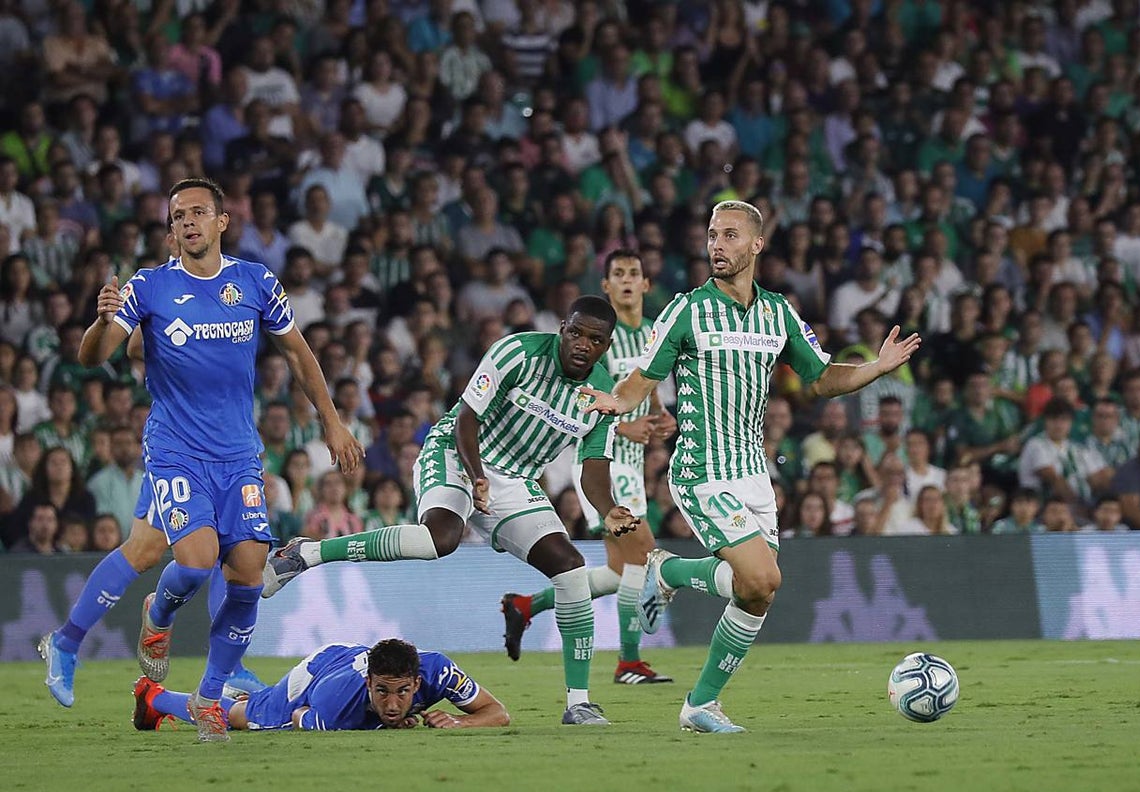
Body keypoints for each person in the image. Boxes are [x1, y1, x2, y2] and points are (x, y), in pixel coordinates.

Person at [38, 179, 363, 741]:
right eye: (178, 215)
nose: (188, 221)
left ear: (221, 221)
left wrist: (331, 420)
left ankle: (207, 691)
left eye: (198, 212)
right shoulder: (149, 287)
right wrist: (99, 321)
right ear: (170, 231)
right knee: (193, 559)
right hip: (175, 451)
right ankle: (153, 620)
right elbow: (95, 357)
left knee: (242, 568)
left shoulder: (256, 282)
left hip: (238, 453)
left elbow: (299, 355)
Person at [579, 200, 920, 732]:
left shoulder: (778, 313)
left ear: (756, 245)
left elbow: (823, 378)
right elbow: (641, 379)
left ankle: (698, 699)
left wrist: (876, 367)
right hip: (700, 470)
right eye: (712, 234)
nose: (717, 244)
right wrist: (615, 402)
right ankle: (665, 574)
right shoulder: (686, 310)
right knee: (761, 574)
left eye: (730, 236)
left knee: (757, 591)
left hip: (753, 475)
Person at [263, 296, 640, 725]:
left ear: (606, 346)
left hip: (515, 481)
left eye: (594, 339)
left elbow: (593, 467)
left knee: (571, 569)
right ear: (561, 327)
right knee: (437, 540)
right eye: (575, 332)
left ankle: (578, 703)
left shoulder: (603, 395)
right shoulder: (516, 352)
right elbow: (467, 418)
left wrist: (608, 508)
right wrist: (476, 475)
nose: (582, 344)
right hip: (458, 454)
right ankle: (307, 553)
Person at [500, 250, 676, 685]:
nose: (628, 281)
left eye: (635, 273)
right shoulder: (594, 340)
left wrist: (662, 418)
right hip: (601, 463)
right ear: (607, 286)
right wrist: (624, 428)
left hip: (635, 464)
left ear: (646, 284)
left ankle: (527, 605)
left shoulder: (655, 336)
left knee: (621, 571)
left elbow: (650, 395)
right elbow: (581, 408)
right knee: (642, 555)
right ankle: (628, 661)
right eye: (619, 274)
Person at [133, 638, 509, 732]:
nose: (393, 704)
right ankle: (155, 696)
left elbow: (498, 713)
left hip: (350, 657)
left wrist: (462, 722)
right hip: (316, 677)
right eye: (381, 692)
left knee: (256, 703)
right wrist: (382, 724)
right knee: (243, 718)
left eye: (402, 692)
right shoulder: (335, 705)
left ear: (418, 682)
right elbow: (300, 717)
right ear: (368, 683)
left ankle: (249, 690)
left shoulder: (441, 670)